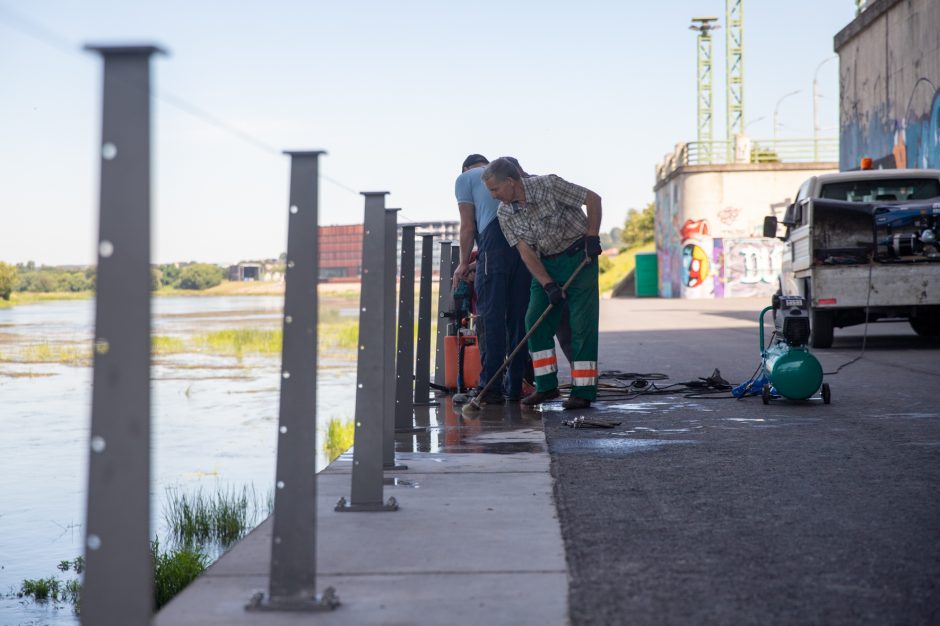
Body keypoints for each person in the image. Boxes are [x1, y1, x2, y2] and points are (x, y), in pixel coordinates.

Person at [482, 157, 602, 410]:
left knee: (582, 326)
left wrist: (592, 236)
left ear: (511, 182)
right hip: (545, 265)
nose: (493, 196)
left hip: (580, 258)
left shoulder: (548, 185)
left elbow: (593, 199)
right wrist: (548, 285)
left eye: (495, 189)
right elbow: (525, 251)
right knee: (534, 322)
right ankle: (546, 387)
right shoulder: (504, 213)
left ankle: (583, 392)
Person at [453, 154, 531, 402]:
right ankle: (515, 385)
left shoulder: (464, 178)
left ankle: (490, 388)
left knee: (490, 318)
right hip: (525, 248)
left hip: (495, 242)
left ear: (466, 168)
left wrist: (464, 263)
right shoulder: (507, 174)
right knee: (518, 317)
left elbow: (467, 226)